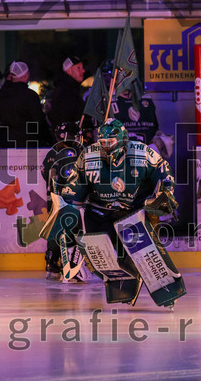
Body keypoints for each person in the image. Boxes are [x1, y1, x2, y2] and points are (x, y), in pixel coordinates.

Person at [65, 118, 186, 307]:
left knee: (144, 254)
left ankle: (167, 288)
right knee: (100, 257)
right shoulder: (88, 155)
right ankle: (124, 285)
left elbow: (162, 170)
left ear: (122, 139)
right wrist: (70, 198)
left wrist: (166, 190)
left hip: (132, 211)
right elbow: (76, 185)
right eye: (102, 142)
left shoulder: (142, 152)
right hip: (99, 212)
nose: (105, 147)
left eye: (110, 142)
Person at [41, 121, 86, 283]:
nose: (79, 139)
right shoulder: (70, 153)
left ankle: (52, 264)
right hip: (67, 199)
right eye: (77, 136)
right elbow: (71, 177)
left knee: (55, 231)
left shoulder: (52, 152)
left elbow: (43, 172)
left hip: (52, 199)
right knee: (69, 233)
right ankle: (70, 268)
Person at [0, 60, 51, 148]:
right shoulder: (30, 95)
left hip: (5, 144)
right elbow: (38, 121)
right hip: (27, 144)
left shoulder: (2, 95)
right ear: (26, 75)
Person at [48, 56, 86, 131]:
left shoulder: (72, 89)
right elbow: (65, 120)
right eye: (78, 68)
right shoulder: (65, 92)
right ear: (69, 71)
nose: (83, 70)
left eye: (82, 67)